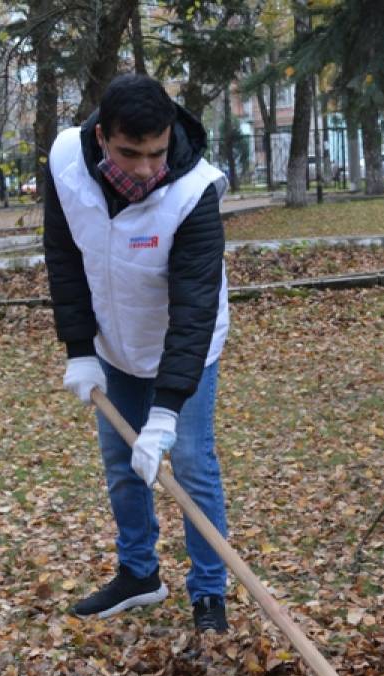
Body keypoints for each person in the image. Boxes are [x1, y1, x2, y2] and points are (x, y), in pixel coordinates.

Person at [44, 74, 231, 631]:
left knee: (192, 464)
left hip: (185, 347)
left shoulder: (194, 193)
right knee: (123, 464)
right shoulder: (65, 165)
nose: (148, 169)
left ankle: (209, 593)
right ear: (102, 137)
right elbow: (64, 254)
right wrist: (79, 349)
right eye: (132, 154)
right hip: (113, 345)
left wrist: (166, 410)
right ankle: (139, 574)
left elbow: (194, 309)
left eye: (157, 153)